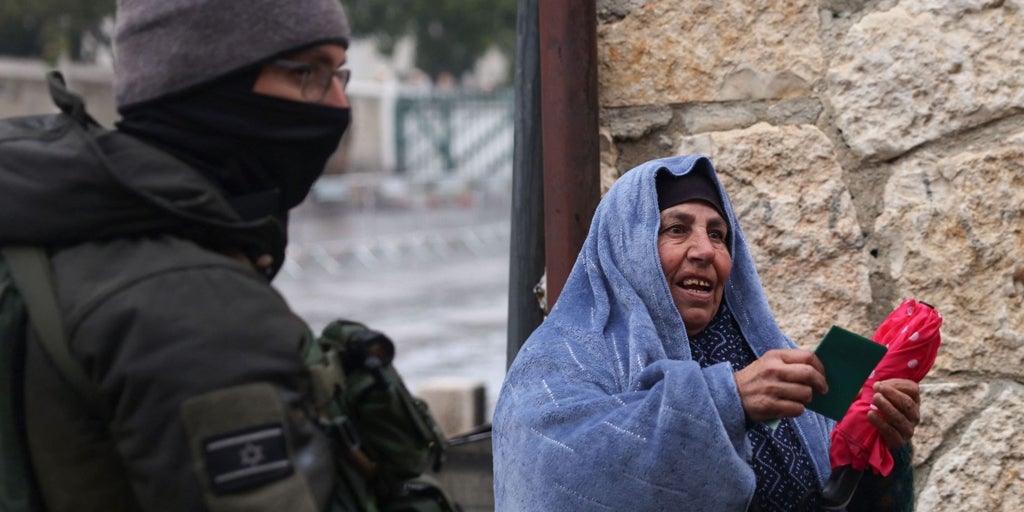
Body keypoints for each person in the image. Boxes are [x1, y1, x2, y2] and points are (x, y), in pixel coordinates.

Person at [0, 0, 399, 510]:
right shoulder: (203, 309)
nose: (338, 104)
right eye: (311, 73)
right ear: (210, 80)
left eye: (340, 73)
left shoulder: (45, 227)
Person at [492, 155, 921, 511]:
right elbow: (558, 477)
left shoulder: (767, 356)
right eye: (677, 229)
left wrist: (879, 445)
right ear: (628, 247)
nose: (704, 251)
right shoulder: (560, 362)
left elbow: (839, 497)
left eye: (718, 235)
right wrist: (726, 401)